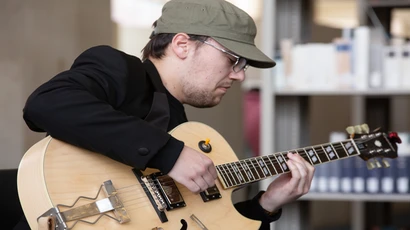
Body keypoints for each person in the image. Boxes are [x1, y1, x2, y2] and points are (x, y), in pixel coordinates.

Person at [19, 0, 315, 229]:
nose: (238, 76)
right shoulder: (120, 69)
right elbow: (46, 103)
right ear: (183, 45)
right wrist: (168, 153)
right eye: (233, 60)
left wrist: (267, 203)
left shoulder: (183, 128)